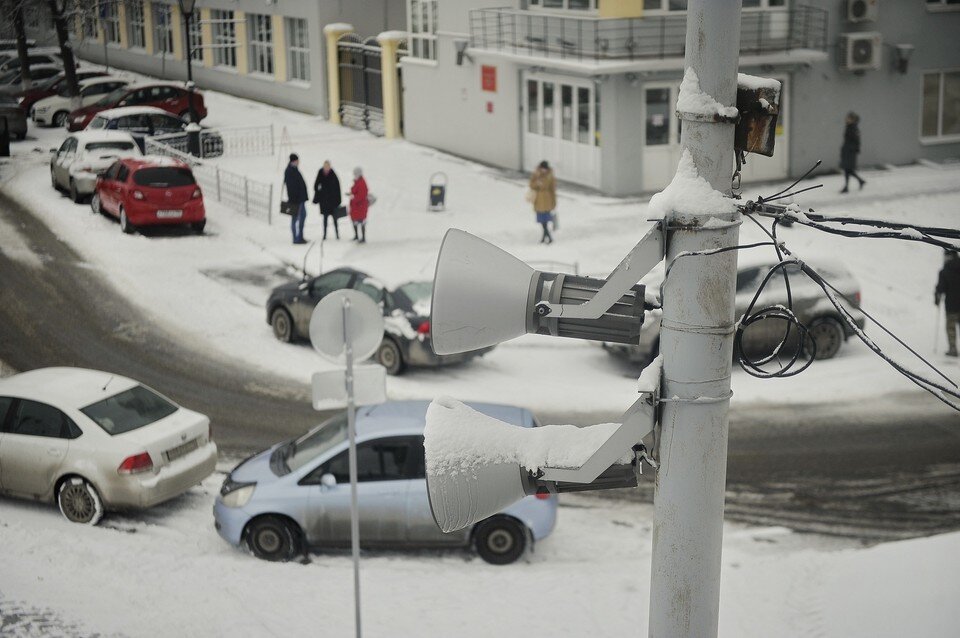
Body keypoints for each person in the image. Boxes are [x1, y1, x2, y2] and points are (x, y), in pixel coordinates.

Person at [936, 250, 960, 357]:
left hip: (951, 305)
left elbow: (941, 288)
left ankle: (953, 349)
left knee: (951, 327)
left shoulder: (944, 271)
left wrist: (937, 299)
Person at [313, 160, 342, 240]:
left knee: (335, 219)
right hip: (324, 201)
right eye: (325, 166)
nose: (326, 168)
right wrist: (319, 192)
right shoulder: (320, 173)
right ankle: (325, 235)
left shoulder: (333, 174)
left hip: (333, 201)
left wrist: (338, 201)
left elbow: (338, 188)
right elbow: (315, 185)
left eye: (327, 166)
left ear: (330, 166)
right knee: (325, 219)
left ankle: (337, 234)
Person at [529, 160, 556, 244]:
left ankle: (546, 237)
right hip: (539, 199)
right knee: (541, 220)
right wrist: (537, 183)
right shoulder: (536, 175)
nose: (543, 170)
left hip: (547, 200)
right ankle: (547, 237)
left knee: (546, 220)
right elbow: (531, 185)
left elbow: (552, 189)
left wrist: (554, 202)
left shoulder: (550, 176)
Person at [284, 153, 309, 244]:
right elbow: (291, 187)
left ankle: (300, 236)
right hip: (296, 200)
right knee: (295, 218)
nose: (299, 162)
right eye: (297, 160)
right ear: (294, 161)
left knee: (303, 216)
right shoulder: (290, 171)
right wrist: (295, 199)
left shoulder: (294, 170)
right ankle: (296, 238)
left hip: (300, 199)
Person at [840, 112, 865, 194]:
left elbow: (856, 141)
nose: (846, 119)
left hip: (850, 151)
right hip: (847, 151)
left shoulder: (853, 128)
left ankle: (847, 187)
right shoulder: (849, 127)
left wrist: (853, 149)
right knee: (848, 169)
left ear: (853, 119)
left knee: (848, 169)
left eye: (848, 118)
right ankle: (859, 181)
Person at [348, 167, 369, 243]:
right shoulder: (357, 181)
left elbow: (362, 195)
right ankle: (356, 236)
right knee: (354, 220)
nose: (354, 175)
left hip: (360, 206)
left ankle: (363, 238)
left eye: (355, 173)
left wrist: (354, 197)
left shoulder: (362, 182)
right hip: (355, 206)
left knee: (361, 221)